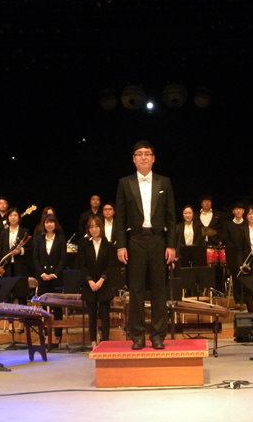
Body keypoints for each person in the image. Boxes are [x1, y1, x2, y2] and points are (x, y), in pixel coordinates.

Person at [114, 140, 176, 350]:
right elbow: (120, 218)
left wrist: (171, 245)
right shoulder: (125, 183)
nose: (143, 157)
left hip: (158, 241)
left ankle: (158, 336)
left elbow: (171, 217)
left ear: (153, 158)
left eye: (147, 154)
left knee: (159, 290)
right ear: (133, 159)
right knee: (136, 290)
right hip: (135, 241)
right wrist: (121, 246)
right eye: (139, 154)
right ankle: (138, 336)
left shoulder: (164, 182)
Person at [78, 216, 116, 345]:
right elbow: (82, 266)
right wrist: (90, 281)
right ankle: (93, 342)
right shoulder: (85, 246)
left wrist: (101, 280)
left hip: (103, 284)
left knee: (105, 316)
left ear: (101, 228)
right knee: (92, 316)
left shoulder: (108, 245)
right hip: (89, 285)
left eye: (96, 226)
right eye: (91, 227)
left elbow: (110, 265)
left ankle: (105, 342)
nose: (94, 229)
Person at [33, 214, 67, 342]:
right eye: (47, 222)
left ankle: (58, 335)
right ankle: (45, 335)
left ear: (55, 224)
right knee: (43, 308)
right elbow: (35, 258)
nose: (49, 224)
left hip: (56, 278)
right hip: (43, 278)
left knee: (57, 307)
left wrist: (55, 274)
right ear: (44, 224)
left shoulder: (60, 239)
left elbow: (63, 259)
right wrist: (42, 274)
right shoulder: (39, 239)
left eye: (51, 222)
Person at [220, 203, 247, 308]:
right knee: (236, 278)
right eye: (236, 209)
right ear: (233, 211)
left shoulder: (247, 223)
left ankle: (246, 300)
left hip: (244, 254)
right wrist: (234, 247)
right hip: (232, 254)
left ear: (243, 211)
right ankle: (238, 301)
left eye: (240, 209)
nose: (238, 211)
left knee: (246, 277)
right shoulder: (228, 225)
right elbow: (225, 238)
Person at [0, 207, 31, 278]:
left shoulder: (24, 232)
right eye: (10, 215)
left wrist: (21, 251)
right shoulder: (3, 233)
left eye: (15, 215)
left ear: (19, 217)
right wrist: (0, 267)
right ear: (7, 218)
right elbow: (1, 251)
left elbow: (30, 249)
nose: (13, 217)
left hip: (20, 267)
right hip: (6, 267)